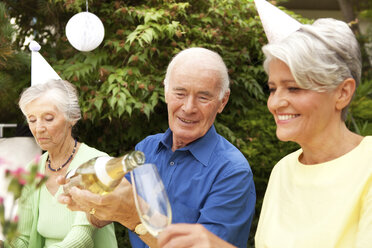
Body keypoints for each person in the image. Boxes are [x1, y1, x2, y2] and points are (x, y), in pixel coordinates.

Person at [58, 47, 256, 248]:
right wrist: (89, 203)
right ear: (166, 91)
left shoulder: (232, 171)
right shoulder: (147, 148)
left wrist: (134, 217)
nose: (188, 107)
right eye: (180, 93)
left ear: (223, 101)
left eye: (203, 97)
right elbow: (107, 213)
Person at [254, 17, 372, 248]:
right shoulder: (282, 170)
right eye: (272, 89)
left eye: (293, 88)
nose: (275, 103)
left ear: (342, 93)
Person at [7, 79, 117, 247]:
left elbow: (82, 238)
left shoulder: (97, 164)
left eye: (48, 118)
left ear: (72, 118)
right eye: (32, 120)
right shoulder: (31, 171)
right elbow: (23, 240)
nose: (39, 128)